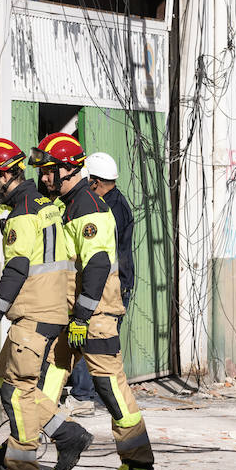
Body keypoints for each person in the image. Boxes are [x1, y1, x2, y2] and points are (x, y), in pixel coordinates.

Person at [0, 137, 93, 470]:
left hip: (34, 315)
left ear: (6, 175)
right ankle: (67, 433)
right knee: (4, 380)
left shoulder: (22, 213)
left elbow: (17, 267)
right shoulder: (45, 204)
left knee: (18, 391)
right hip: (51, 311)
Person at [31, 133, 157, 470]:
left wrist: (84, 317)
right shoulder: (70, 203)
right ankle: (25, 449)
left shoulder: (88, 206)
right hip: (75, 312)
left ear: (69, 170)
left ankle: (137, 464)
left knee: (108, 384)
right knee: (50, 374)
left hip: (95, 313)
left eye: (49, 171)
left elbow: (98, 265)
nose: (44, 178)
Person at [63, 151, 136, 410]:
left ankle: (83, 396)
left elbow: (98, 259)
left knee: (92, 339)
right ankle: (85, 393)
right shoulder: (115, 201)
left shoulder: (104, 207)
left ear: (94, 181)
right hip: (113, 284)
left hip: (106, 288)